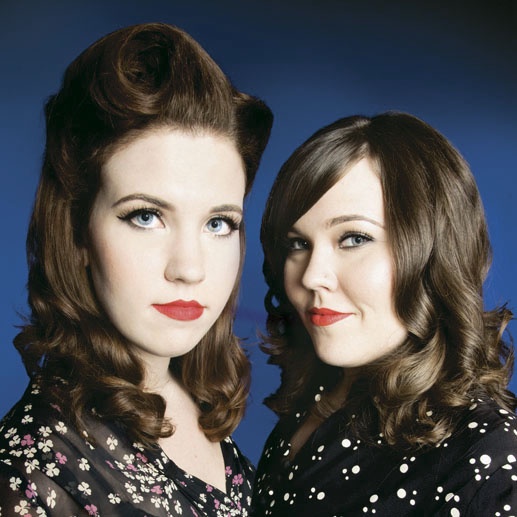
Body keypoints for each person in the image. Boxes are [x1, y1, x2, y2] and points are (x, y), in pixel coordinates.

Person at [0, 23, 272, 516]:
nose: (189, 268)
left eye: (218, 223)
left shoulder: (192, 396)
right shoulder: (33, 474)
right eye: (146, 216)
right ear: (78, 232)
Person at [253, 112, 516, 516]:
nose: (312, 276)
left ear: (433, 250)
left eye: (354, 238)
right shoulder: (316, 400)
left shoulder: (489, 456)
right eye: (297, 244)